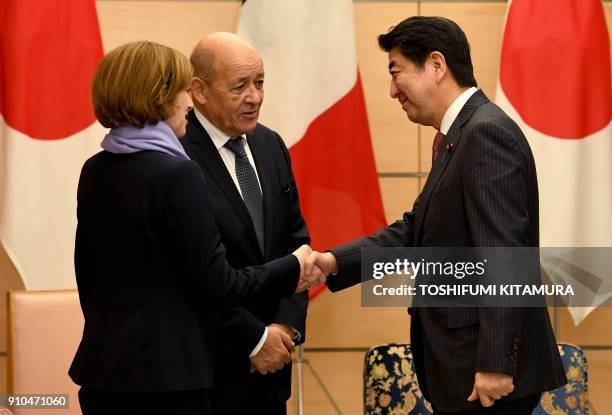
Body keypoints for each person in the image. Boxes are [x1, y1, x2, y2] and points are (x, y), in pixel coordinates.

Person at [307, 17, 566, 414]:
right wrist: (334, 262)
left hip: (487, 378)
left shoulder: (484, 134)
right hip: (462, 370)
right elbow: (417, 231)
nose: (392, 90)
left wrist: (496, 363)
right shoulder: (459, 136)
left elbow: (503, 257)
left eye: (396, 72)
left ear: (436, 65)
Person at [68, 41, 323, 415]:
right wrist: (292, 269)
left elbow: (88, 277)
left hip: (110, 372)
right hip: (180, 375)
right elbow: (213, 283)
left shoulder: (96, 169)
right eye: (183, 91)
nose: (188, 103)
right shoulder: (179, 167)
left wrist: (283, 328)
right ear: (162, 97)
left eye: (260, 82)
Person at [180, 32, 309, 415]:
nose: (255, 96)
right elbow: (191, 273)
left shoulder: (270, 145)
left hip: (272, 370)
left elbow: (296, 246)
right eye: (240, 86)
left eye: (260, 82)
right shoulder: (176, 153)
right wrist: (254, 339)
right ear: (199, 91)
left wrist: (284, 330)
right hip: (210, 371)